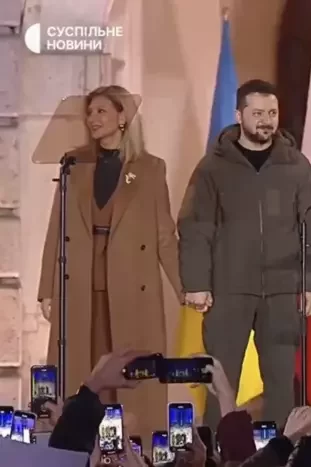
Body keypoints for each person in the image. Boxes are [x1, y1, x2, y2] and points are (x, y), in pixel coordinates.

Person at [178, 79, 311, 428]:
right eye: (258, 113)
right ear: (239, 115)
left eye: (272, 113)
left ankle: (281, 448)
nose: (266, 121)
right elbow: (195, 226)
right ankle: (216, 450)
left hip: (282, 291)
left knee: (281, 384)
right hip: (228, 289)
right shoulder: (213, 167)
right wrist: (197, 283)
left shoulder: (296, 165)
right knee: (220, 379)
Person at [37, 85, 181, 443]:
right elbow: (57, 229)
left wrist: (187, 288)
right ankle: (76, 445)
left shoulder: (150, 168)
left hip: (130, 287)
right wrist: (46, 289)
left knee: (127, 376)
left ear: (122, 117)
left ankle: (132, 450)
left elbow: (164, 234)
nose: (93, 119)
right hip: (80, 286)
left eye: (101, 111)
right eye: (90, 112)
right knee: (81, 372)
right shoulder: (74, 164)